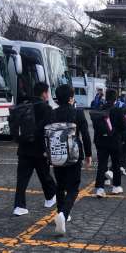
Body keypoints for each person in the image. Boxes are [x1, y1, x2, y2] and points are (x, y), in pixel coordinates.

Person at [50, 85, 92, 235]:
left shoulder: (52, 113)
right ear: (70, 98)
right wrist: (88, 154)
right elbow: (85, 135)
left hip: (57, 153)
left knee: (60, 185)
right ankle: (64, 214)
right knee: (73, 187)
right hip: (74, 154)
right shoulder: (78, 113)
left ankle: (60, 212)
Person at [13, 82, 57, 216]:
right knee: (45, 175)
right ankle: (50, 198)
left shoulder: (24, 105)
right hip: (39, 150)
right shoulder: (46, 108)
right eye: (47, 93)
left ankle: (19, 206)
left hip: (24, 148)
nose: (47, 95)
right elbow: (50, 130)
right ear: (44, 93)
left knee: (22, 179)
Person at [92, 89, 126, 198]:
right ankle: (116, 186)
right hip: (115, 141)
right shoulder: (118, 110)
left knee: (102, 164)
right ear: (115, 99)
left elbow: (95, 126)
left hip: (101, 141)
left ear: (105, 98)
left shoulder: (99, 109)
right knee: (116, 164)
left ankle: (100, 188)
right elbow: (123, 127)